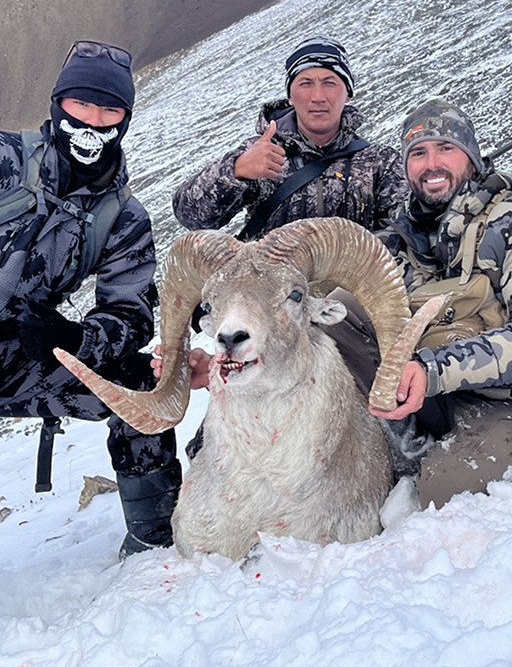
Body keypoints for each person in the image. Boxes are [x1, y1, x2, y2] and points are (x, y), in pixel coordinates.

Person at [332, 99, 512, 509]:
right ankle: (404, 440)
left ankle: (441, 460)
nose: (431, 163)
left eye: (445, 149)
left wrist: (435, 370)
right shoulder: (399, 242)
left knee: (444, 492)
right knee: (338, 309)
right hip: (438, 398)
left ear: (471, 159)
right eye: (417, 153)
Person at [0, 40, 180, 558]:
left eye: (109, 110)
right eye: (81, 105)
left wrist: (77, 338)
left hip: (24, 357)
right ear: (58, 104)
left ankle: (154, 541)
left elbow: (130, 311)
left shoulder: (124, 217)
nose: (93, 122)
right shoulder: (7, 159)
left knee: (141, 384)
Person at [172, 35, 407, 238]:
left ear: (348, 94)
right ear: (291, 96)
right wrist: (235, 171)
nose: (318, 96)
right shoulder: (261, 153)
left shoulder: (380, 163)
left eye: (329, 83)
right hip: (273, 288)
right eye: (305, 83)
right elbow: (191, 218)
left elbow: (407, 230)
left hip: (353, 288)